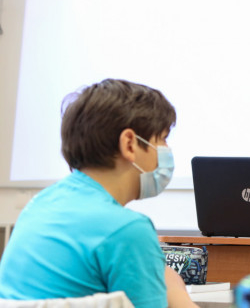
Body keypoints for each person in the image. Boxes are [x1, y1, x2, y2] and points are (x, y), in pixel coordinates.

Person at [0, 79, 197, 308]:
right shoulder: (128, 230)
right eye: (162, 138)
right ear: (129, 144)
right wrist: (177, 292)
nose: (166, 149)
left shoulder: (40, 205)